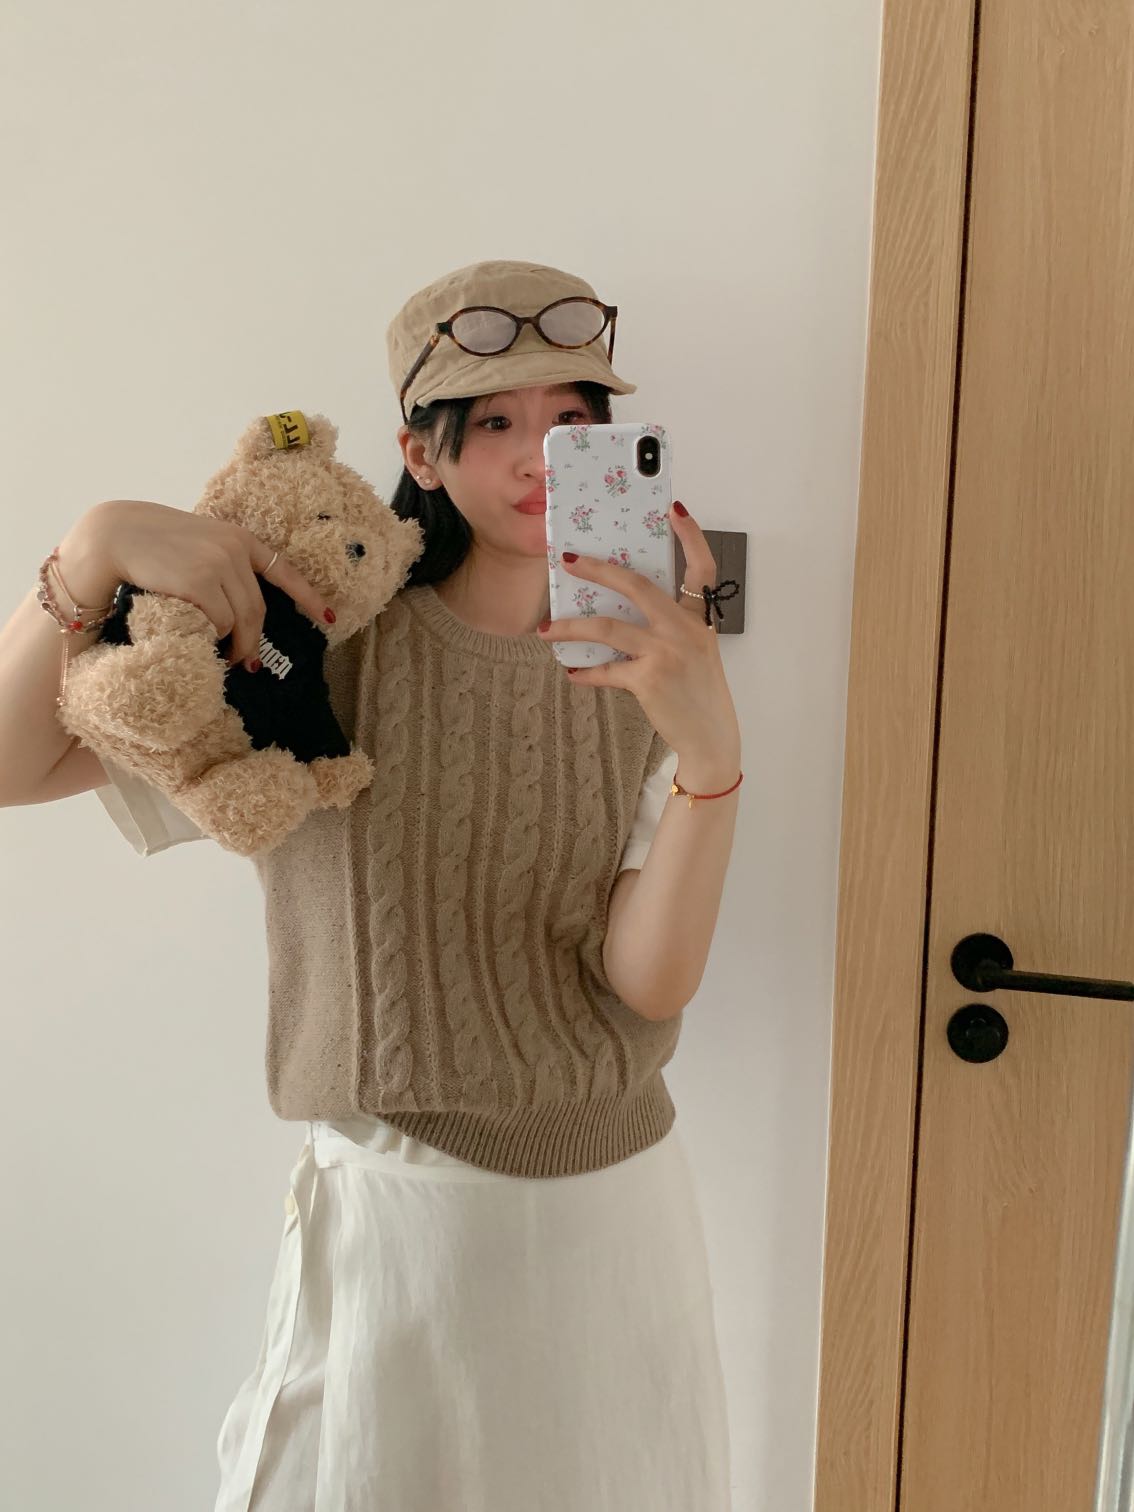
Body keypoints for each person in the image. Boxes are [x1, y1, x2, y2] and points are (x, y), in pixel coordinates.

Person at [0, 259, 743, 1511]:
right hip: (406, 1218)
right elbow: (13, 766)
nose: (537, 455)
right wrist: (90, 552)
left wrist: (713, 759)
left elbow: (645, 982)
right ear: (420, 453)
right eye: (493, 421)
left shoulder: (649, 662)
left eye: (570, 421)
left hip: (616, 1216)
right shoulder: (322, 636)